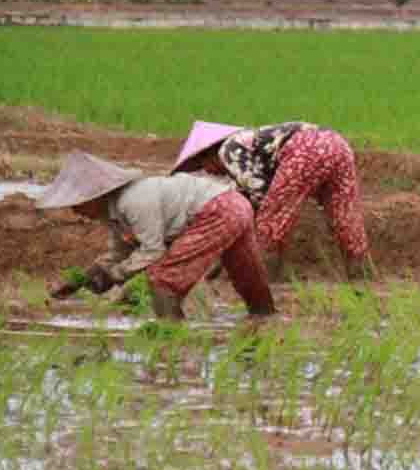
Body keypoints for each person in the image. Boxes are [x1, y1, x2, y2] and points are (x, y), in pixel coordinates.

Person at [41, 151, 275, 321]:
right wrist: (80, 280)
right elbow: (119, 253)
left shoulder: (133, 202)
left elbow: (152, 251)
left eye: (78, 204)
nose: (75, 211)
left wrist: (114, 275)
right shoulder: (113, 214)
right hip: (236, 204)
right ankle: (266, 321)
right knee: (247, 274)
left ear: (95, 196)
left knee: (163, 279)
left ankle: (172, 338)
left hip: (218, 210)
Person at [172, 120, 375, 279]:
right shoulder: (249, 147)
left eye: (202, 165)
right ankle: (364, 281)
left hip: (306, 150)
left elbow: (260, 194)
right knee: (348, 222)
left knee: (270, 225)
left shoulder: (228, 149)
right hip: (339, 145)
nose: (207, 171)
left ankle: (267, 286)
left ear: (209, 153)